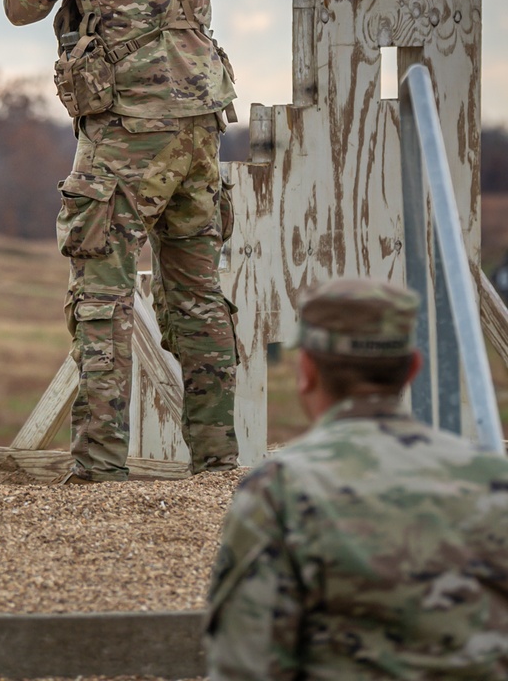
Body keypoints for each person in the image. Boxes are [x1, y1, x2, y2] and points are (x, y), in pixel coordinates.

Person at [0, 0, 238, 481]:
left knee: (102, 293)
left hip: (128, 125)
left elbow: (23, 3)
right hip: (201, 116)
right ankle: (217, 456)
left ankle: (98, 463)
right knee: (198, 294)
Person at [205, 278, 508, 680]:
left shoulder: (280, 489)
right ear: (412, 369)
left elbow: (246, 663)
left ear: (307, 371)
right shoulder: (494, 478)